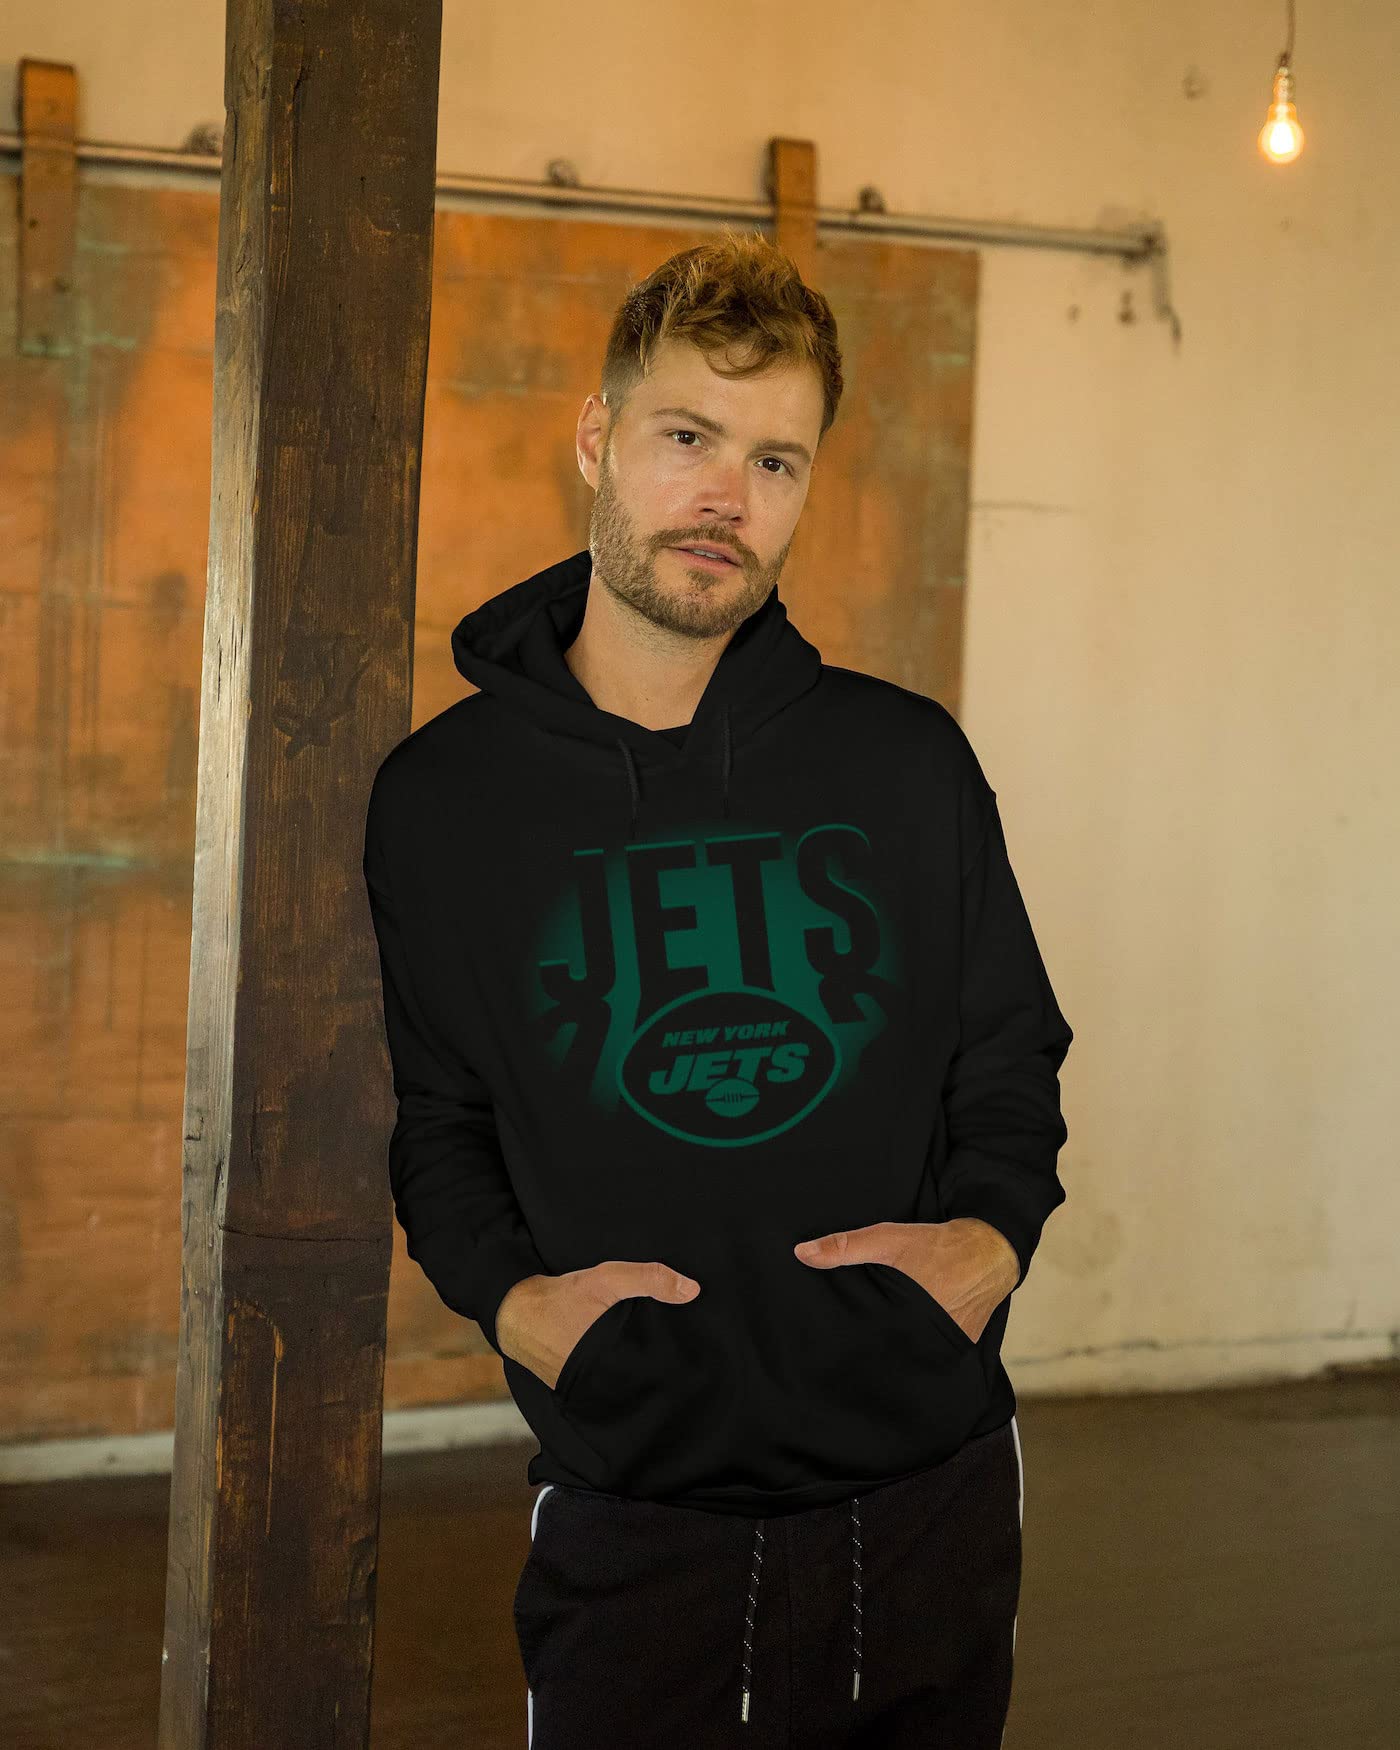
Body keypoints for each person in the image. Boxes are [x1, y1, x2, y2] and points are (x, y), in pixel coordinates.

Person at [362, 228, 1073, 1748]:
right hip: (633, 1507)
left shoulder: (906, 762)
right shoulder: (443, 799)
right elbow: (441, 1114)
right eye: (688, 438)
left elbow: (1009, 1052)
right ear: (598, 437)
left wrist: (991, 1242)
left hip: (926, 1490)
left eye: (775, 461)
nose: (726, 498)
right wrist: (515, 1303)